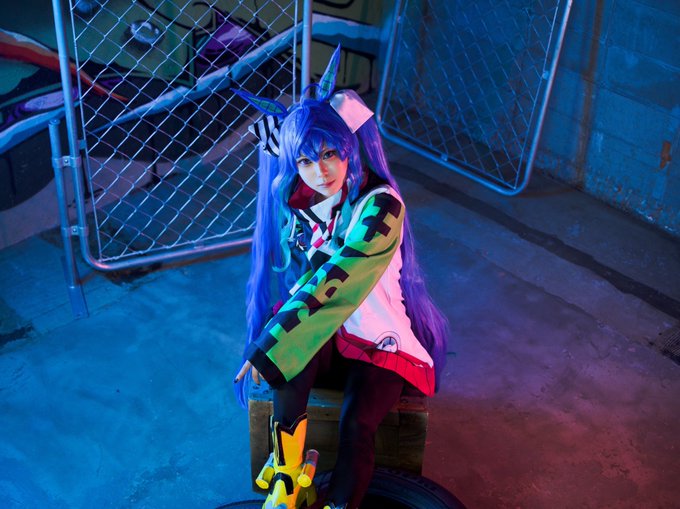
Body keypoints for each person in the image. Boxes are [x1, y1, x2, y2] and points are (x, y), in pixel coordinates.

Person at [233, 46, 449, 509]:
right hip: (331, 336)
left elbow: (342, 275)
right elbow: (307, 282)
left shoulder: (382, 205)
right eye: (306, 161)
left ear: (349, 147)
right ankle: (288, 479)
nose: (321, 172)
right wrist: (278, 341)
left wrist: (271, 341)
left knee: (356, 424)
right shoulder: (301, 203)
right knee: (291, 359)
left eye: (330, 154)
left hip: (380, 343)